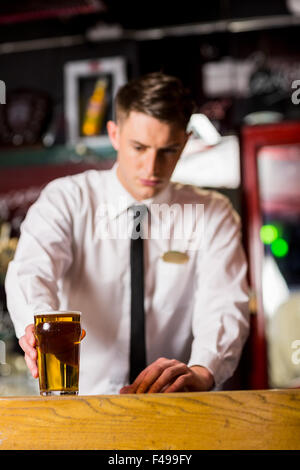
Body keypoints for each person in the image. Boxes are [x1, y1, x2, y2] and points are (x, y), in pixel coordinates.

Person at [5, 72, 249, 395]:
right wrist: (40, 328)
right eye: (139, 147)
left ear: (186, 142)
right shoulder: (67, 199)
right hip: (79, 406)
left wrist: (204, 372)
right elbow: (33, 270)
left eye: (167, 150)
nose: (151, 168)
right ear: (115, 134)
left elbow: (224, 303)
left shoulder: (213, 214)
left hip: (174, 405)